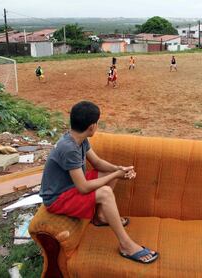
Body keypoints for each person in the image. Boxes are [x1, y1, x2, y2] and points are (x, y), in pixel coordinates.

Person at [39, 101, 158, 264]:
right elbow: (83, 187)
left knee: (108, 172)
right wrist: (115, 174)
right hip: (57, 198)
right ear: (92, 126)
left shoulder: (79, 139)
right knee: (105, 193)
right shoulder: (69, 148)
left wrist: (118, 169)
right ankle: (126, 245)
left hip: (70, 188)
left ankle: (100, 217)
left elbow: (97, 162)